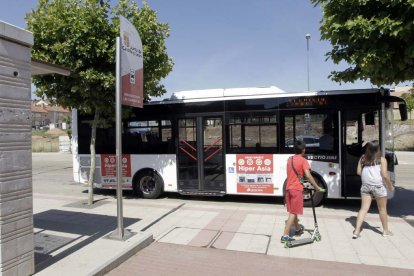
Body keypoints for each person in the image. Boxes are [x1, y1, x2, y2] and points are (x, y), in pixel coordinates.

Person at [281, 140, 325, 243]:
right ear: (304, 150)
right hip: (296, 189)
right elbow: (308, 175)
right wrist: (316, 187)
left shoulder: (289, 159)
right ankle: (285, 235)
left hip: (288, 188)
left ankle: (297, 228)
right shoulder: (303, 161)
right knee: (293, 212)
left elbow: (291, 174)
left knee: (293, 210)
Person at [353, 141, 395, 239]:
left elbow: (358, 172)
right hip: (378, 187)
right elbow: (384, 175)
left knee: (363, 209)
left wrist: (368, 174)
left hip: (365, 186)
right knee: (382, 209)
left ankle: (356, 231)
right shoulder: (382, 159)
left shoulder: (362, 158)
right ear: (378, 149)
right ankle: (385, 231)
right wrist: (390, 186)